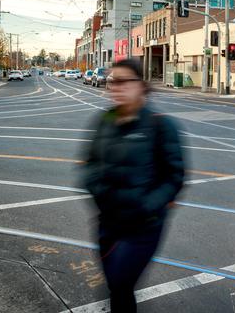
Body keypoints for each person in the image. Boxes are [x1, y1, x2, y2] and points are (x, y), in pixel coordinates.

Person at [83, 59, 184, 312]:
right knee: (117, 288)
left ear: (140, 85)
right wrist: (100, 193)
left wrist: (147, 205)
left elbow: (174, 176)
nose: (115, 87)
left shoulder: (160, 125)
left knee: (120, 282)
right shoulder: (104, 121)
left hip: (143, 227)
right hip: (108, 223)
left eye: (122, 81)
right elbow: (90, 164)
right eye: (111, 82)